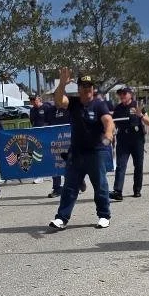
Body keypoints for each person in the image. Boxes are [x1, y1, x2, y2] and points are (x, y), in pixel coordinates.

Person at [47, 70, 114, 230]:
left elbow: (108, 121)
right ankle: (61, 218)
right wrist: (62, 83)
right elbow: (58, 101)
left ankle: (104, 216)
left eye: (89, 86)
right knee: (69, 187)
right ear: (78, 88)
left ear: (93, 88)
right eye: (83, 86)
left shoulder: (99, 104)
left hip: (95, 152)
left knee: (101, 186)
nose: (87, 89)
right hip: (76, 153)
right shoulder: (74, 103)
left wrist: (108, 134)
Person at [109, 87, 149, 201]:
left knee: (138, 165)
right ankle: (118, 191)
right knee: (120, 165)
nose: (122, 96)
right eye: (120, 94)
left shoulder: (137, 105)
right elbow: (113, 124)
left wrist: (140, 115)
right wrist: (111, 135)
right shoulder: (117, 108)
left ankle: (137, 189)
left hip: (137, 139)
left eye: (124, 93)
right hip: (123, 139)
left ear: (130, 94)